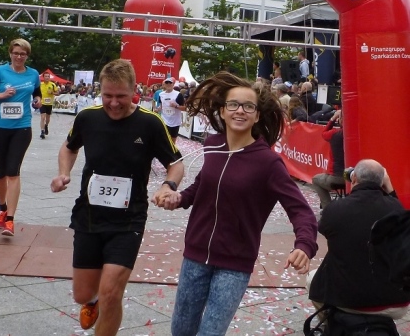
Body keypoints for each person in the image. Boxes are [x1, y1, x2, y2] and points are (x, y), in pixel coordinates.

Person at [153, 71, 318, 336]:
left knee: (210, 333)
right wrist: (179, 198)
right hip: (195, 255)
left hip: (234, 264)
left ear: (257, 115)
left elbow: (301, 210)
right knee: (181, 330)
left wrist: (304, 245)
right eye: (233, 104)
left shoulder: (268, 162)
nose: (240, 111)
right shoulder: (213, 145)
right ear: (223, 111)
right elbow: (202, 185)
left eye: (248, 106)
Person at [50, 59, 184, 335]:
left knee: (112, 292)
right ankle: (93, 301)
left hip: (128, 220)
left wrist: (168, 185)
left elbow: (176, 163)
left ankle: (105, 304)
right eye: (107, 95)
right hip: (89, 216)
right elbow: (69, 147)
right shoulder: (88, 117)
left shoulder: (150, 123)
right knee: (82, 293)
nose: (113, 103)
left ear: (135, 91)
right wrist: (63, 173)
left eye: (121, 96)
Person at [308, 159, 410, 319]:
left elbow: (325, 229)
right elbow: (403, 219)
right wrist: (389, 188)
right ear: (382, 181)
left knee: (311, 279)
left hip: (349, 301)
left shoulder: (336, 210)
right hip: (395, 301)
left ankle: (331, 324)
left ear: (354, 178)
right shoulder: (395, 208)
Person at [0, 39, 42, 237]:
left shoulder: (33, 74)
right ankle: (2, 208)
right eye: (16, 53)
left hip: (21, 128)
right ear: (10, 54)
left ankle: (10, 220)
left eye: (23, 54)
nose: (19, 57)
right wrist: (1, 95)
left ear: (27, 56)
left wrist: (38, 100)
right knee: (0, 173)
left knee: (13, 171)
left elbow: (37, 93)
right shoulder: (0, 71)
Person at [306, 110, 344, 210]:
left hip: (337, 177)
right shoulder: (356, 134)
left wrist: (332, 119)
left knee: (315, 179)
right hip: (351, 177)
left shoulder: (334, 134)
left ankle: (327, 208)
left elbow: (324, 133)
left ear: (341, 120)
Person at [158, 77, 186, 143]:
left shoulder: (178, 94)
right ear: (164, 84)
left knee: (172, 142)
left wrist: (176, 106)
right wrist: (158, 109)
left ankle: (171, 149)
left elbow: (185, 108)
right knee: (164, 140)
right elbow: (161, 106)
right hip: (164, 121)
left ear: (173, 84)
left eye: (170, 83)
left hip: (175, 122)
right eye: (166, 83)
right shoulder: (161, 94)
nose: (168, 84)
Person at [39, 72, 59, 139]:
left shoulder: (52, 84)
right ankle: (42, 131)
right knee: (42, 117)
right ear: (43, 77)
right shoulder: (40, 84)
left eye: (48, 76)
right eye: (46, 76)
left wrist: (52, 92)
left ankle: (46, 125)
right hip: (42, 103)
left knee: (47, 118)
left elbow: (58, 93)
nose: (47, 77)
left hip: (49, 103)